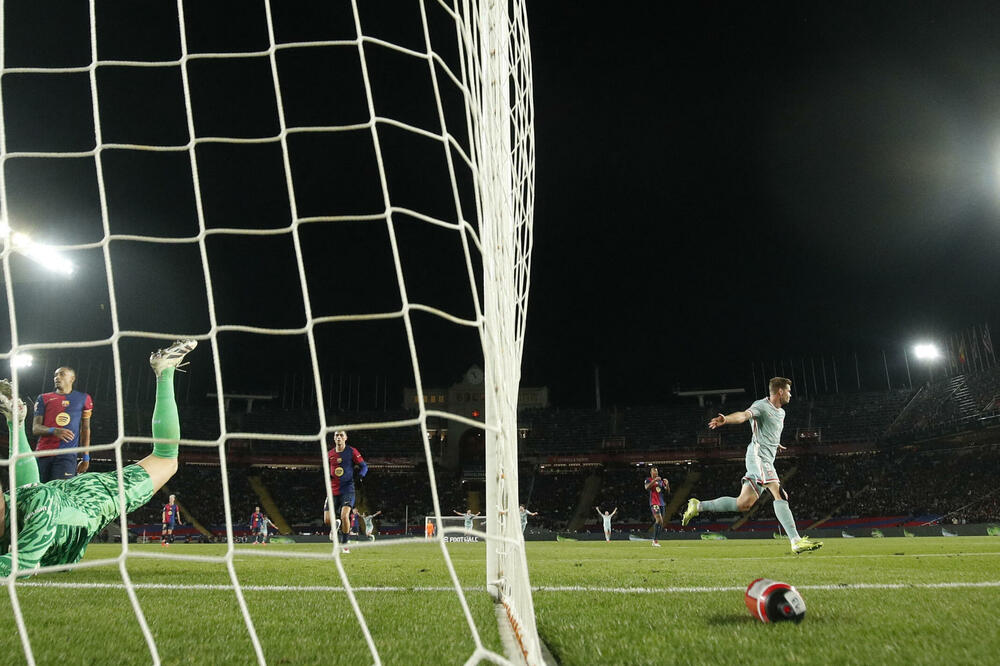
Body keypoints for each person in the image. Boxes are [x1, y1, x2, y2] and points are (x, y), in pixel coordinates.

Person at [0, 340, 196, 577]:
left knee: (166, 459)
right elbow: (26, 490)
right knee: (28, 495)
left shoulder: (39, 506)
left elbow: (19, 565)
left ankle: (165, 373)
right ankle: (16, 421)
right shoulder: (13, 502)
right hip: (57, 495)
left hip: (90, 498)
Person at [681, 377, 823, 555]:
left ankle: (698, 506)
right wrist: (726, 419)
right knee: (779, 492)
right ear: (779, 391)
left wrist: (775, 444)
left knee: (743, 504)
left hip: (766, 458)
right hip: (758, 456)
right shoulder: (762, 406)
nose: (790, 394)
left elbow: (769, 431)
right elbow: (744, 415)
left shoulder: (781, 413)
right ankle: (795, 541)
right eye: (788, 391)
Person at [31, 366, 93, 483]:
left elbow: (85, 429)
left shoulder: (84, 398)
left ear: (72, 378)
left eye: (62, 374)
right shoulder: (43, 398)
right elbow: (36, 428)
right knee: (38, 493)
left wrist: (86, 457)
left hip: (66, 456)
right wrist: (54, 431)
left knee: (59, 493)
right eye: (55, 375)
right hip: (43, 453)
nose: (57, 377)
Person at [322, 430, 367, 554]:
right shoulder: (329, 454)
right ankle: (336, 524)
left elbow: (364, 466)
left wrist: (360, 476)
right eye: (337, 435)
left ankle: (345, 544)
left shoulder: (352, 451)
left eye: (341, 435)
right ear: (334, 438)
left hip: (347, 489)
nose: (339, 437)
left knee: (344, 515)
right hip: (332, 490)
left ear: (346, 438)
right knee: (327, 520)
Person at [645, 467, 669, 547]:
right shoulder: (648, 480)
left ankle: (655, 540)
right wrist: (654, 480)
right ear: (651, 473)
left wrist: (667, 485)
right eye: (654, 471)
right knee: (659, 519)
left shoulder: (660, 481)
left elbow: (667, 491)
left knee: (661, 523)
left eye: (657, 471)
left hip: (662, 504)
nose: (656, 473)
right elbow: (647, 487)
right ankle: (655, 541)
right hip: (654, 502)